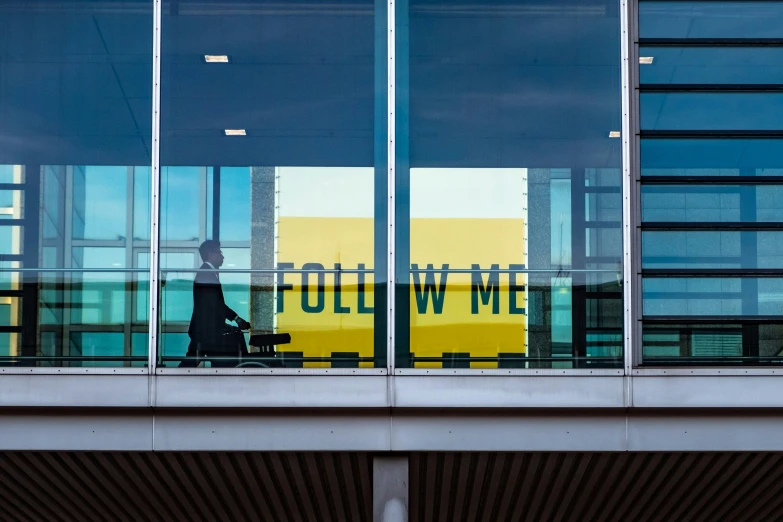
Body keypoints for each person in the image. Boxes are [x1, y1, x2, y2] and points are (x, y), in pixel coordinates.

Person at [179, 240, 251, 367]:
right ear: (210, 254)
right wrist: (236, 319)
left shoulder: (208, 272)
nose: (222, 256)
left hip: (206, 331)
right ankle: (171, 382)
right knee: (210, 363)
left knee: (193, 363)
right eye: (220, 253)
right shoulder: (206, 273)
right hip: (206, 332)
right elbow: (215, 303)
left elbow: (213, 305)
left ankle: (173, 381)